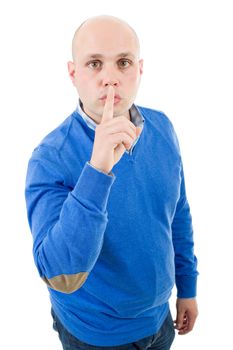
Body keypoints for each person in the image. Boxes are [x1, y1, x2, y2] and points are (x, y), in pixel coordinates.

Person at [25, 15, 198, 350]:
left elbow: (177, 212)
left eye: (123, 62)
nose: (110, 79)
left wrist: (187, 286)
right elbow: (60, 274)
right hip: (95, 336)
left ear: (140, 69)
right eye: (94, 64)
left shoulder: (162, 127)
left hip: (160, 321)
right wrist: (97, 169)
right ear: (74, 74)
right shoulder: (49, 157)